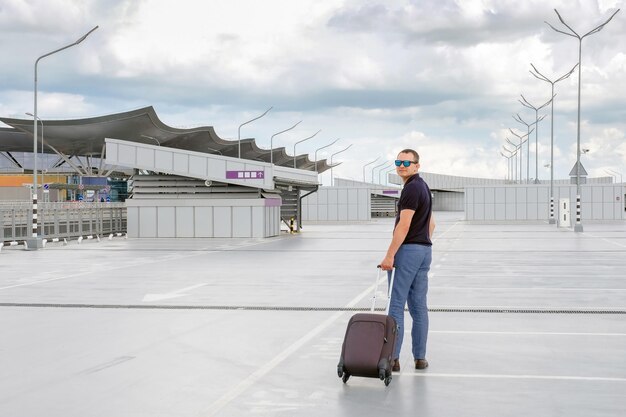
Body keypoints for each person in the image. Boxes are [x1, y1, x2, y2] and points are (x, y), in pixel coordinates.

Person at [380, 148, 435, 372]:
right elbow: (432, 224)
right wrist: (422, 242)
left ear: (416, 165)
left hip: (408, 251)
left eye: (406, 162)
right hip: (424, 251)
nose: (401, 165)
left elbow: (404, 225)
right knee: (419, 307)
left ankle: (392, 359)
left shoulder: (411, 189)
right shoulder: (423, 187)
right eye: (398, 162)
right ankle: (420, 358)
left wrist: (390, 255)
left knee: (396, 305)